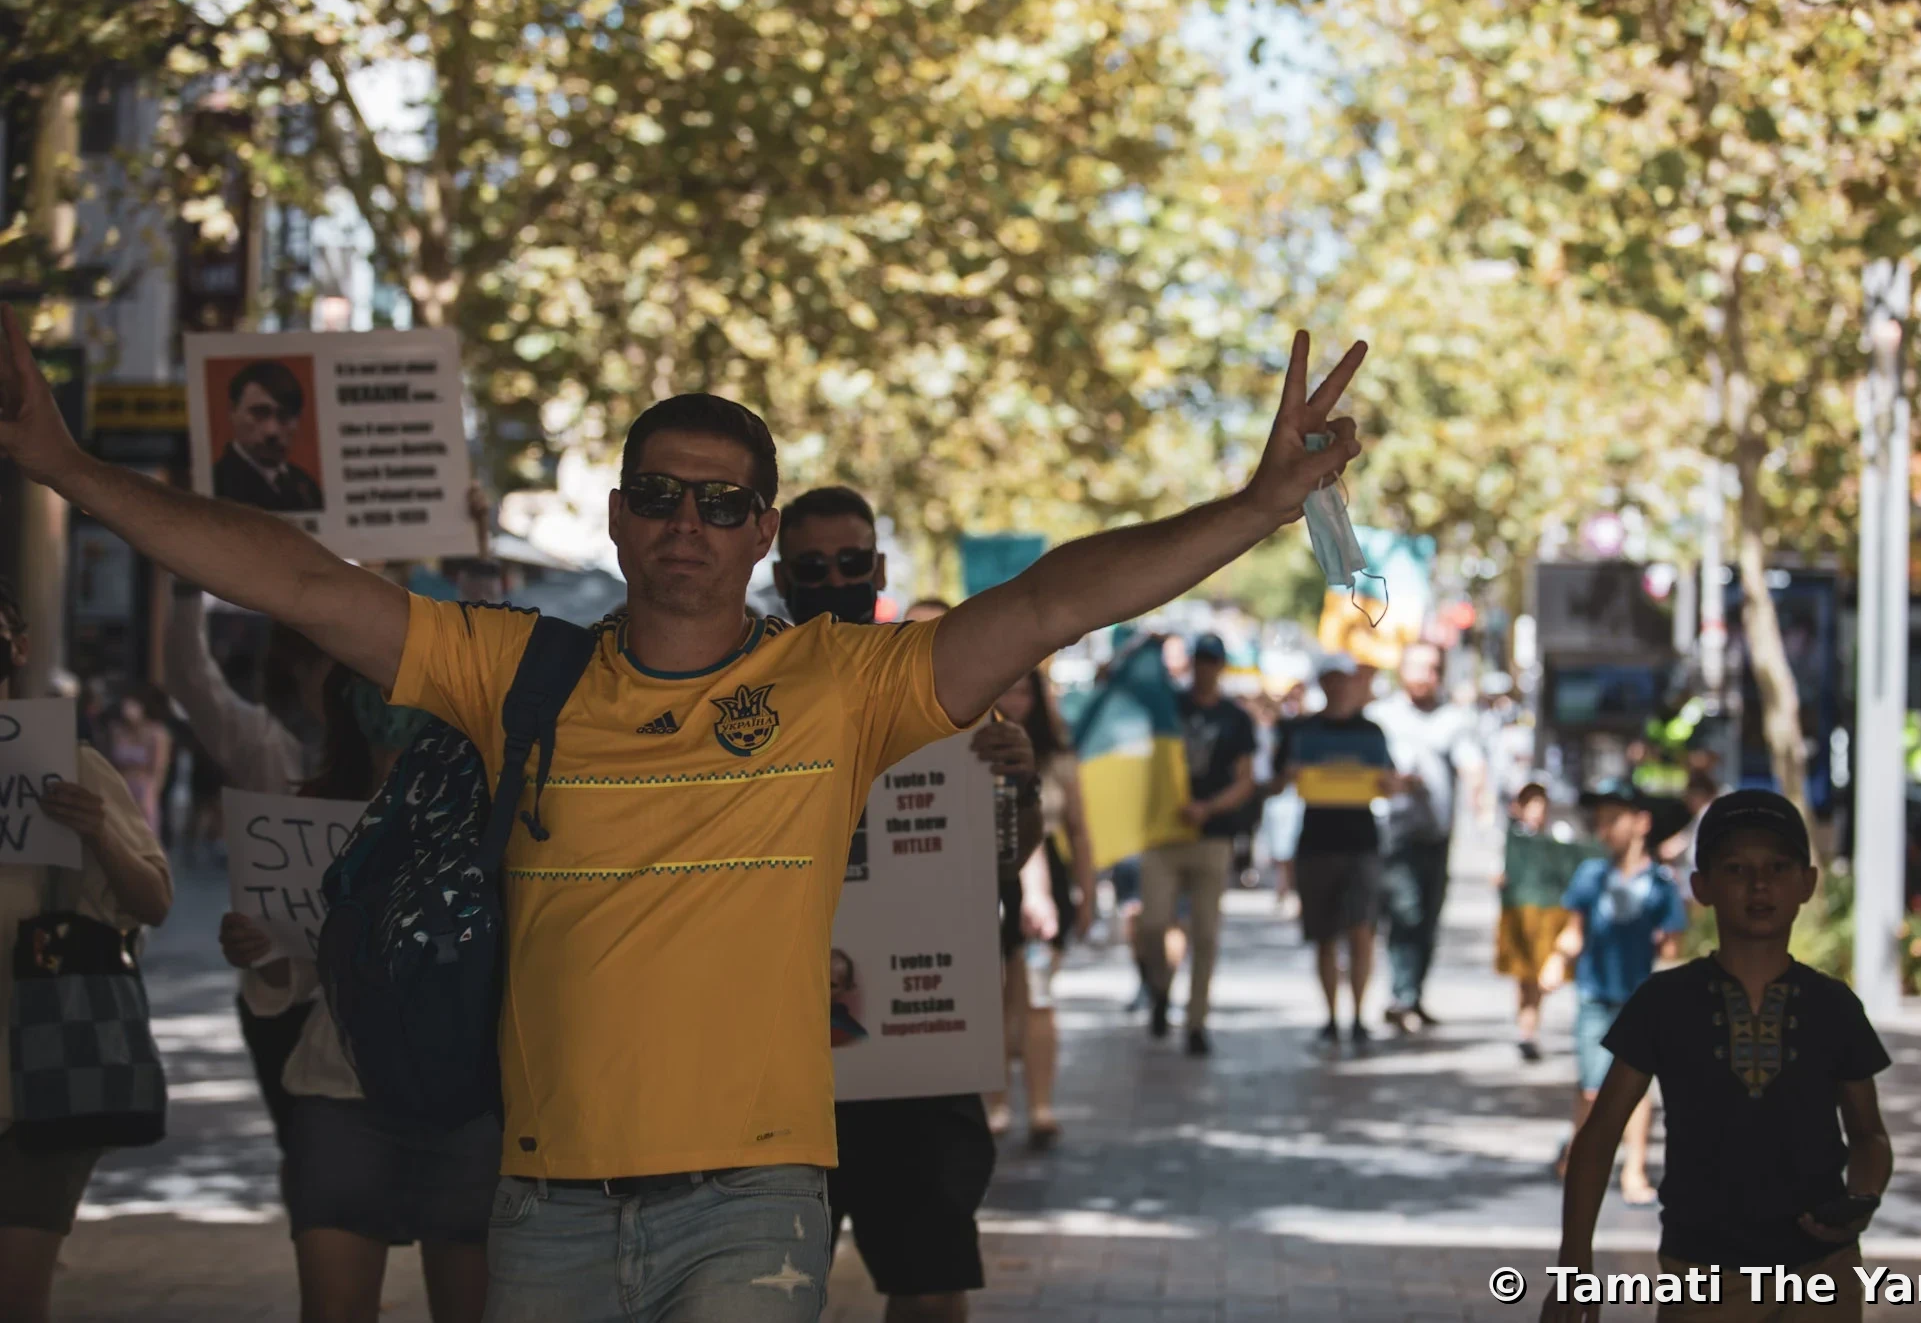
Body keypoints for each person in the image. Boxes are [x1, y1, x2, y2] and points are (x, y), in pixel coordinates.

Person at [0, 304, 1367, 1323]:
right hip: (540, 1206)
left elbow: (1060, 598)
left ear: (762, 529)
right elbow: (296, 582)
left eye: (722, 502)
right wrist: (70, 472)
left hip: (754, 1201)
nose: (687, 523)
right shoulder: (513, 670)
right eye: (659, 495)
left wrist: (1254, 509)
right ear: (615, 516)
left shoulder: (839, 686)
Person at [773, 500, 1041, 1323]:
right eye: (812, 568)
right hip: (775, 1067)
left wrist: (1013, 779)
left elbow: (1002, 853)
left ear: (879, 568)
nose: (834, 582)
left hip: (918, 1066)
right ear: (781, 577)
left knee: (928, 1282)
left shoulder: (939, 678)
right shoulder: (741, 689)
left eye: (850, 563)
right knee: (750, 1290)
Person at [1542, 791, 1894, 1323]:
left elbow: (1868, 1134)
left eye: (1777, 867)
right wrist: (1574, 1266)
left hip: (1824, 1270)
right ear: (1701, 887)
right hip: (1701, 1273)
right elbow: (1598, 1136)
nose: (1758, 885)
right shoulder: (1664, 1002)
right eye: (1736, 869)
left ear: (1806, 883)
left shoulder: (1833, 1006)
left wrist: (1860, 1202)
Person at [219, 667, 495, 1323]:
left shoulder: (492, 807)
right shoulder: (310, 809)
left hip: (467, 1099)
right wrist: (264, 950)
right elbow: (299, 971)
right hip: (342, 1096)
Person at [0, 577, 173, 1323]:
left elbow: (155, 901)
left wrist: (98, 828)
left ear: (19, 646)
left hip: (43, 1078)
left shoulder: (68, 765)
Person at [163, 579, 334, 1148]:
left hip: (368, 995)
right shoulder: (262, 743)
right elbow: (191, 678)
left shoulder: (407, 750)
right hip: (281, 989)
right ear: (299, 669)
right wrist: (186, 587)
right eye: (327, 663)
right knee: (308, 1156)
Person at [1539, 782, 1689, 1205]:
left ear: (1641, 823)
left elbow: (1673, 946)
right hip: (1594, 996)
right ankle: (1582, 1154)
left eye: (1613, 818)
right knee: (1592, 1087)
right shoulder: (1591, 876)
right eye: (1599, 821)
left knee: (1636, 1087)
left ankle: (1633, 1168)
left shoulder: (1661, 884)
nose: (1603, 829)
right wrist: (1556, 960)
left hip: (1639, 1001)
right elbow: (1573, 933)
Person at [987, 663, 1097, 1149]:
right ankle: (994, 1103)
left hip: (1043, 880)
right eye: (1005, 691)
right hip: (982, 875)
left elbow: (1078, 828)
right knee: (988, 1003)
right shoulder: (968, 748)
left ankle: (1040, 1106)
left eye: (1024, 693)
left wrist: (1088, 895)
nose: (1015, 703)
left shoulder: (1057, 755)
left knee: (1037, 997)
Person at [1136, 632, 1255, 1057]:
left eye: (1212, 660)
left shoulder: (1236, 718)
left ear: (1221, 666)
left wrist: (1209, 808)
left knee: (1205, 933)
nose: (1206, 668)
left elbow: (1245, 780)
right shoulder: (1169, 708)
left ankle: (1196, 1020)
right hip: (1164, 834)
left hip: (1212, 836)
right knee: (1152, 924)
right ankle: (1160, 990)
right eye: (1200, 659)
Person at [1278, 654, 1397, 1053]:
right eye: (1330, 679)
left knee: (1361, 930)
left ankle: (1359, 1015)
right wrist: (1291, 774)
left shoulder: (1373, 731)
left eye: (1343, 680)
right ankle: (1331, 1016)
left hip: (1361, 842)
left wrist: (1391, 784)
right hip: (1317, 842)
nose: (1337, 687)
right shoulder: (1304, 730)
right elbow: (1276, 780)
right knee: (1324, 934)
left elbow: (1388, 781)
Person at [1368, 641, 1481, 1033]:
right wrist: (1395, 784)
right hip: (1393, 834)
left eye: (1432, 668)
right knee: (1405, 911)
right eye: (1416, 668)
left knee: (1429, 918)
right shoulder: (1379, 716)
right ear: (1401, 671)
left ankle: (1414, 993)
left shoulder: (1454, 718)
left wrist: (1483, 807)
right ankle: (1401, 996)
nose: (1424, 676)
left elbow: (1472, 765)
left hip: (1437, 834)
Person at [1493, 782, 1577, 1063]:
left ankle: (1528, 1029)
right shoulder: (1511, 839)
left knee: (1539, 978)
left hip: (1547, 916)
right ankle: (1525, 1028)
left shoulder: (1558, 838)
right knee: (1523, 977)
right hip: (1519, 915)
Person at [213, 360, 324, 512]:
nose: (272, 431)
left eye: (285, 416)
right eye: (259, 412)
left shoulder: (307, 487)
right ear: (232, 411)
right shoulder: (216, 484)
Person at [96, 685, 173, 838]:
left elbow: (159, 770)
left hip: (144, 789)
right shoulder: (117, 731)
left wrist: (151, 795)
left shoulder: (157, 733)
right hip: (121, 787)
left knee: (143, 837)